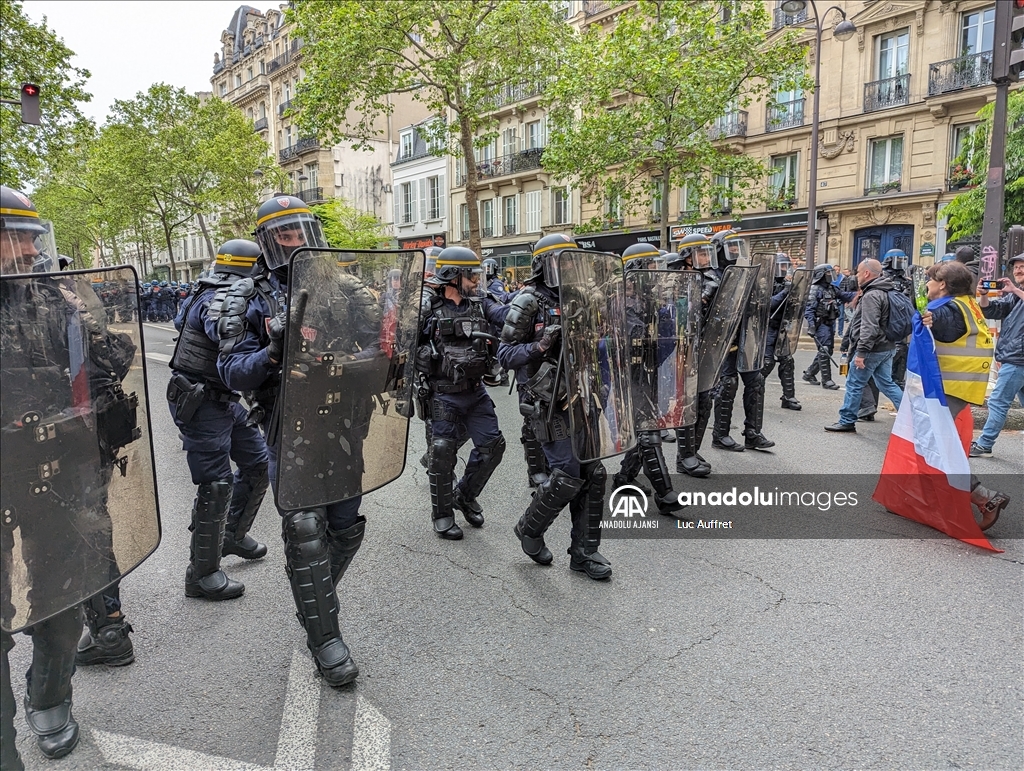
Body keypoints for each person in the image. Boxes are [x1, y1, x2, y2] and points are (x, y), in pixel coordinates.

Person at [2, 186, 155, 766]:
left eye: (28, 237)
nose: (25, 250)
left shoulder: (54, 295)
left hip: (57, 467)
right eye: (11, 239)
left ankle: (50, 699)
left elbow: (113, 361)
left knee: (64, 596)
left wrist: (85, 315)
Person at [217, 196, 365, 686]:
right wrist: (274, 352)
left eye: (301, 229)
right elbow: (232, 371)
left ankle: (312, 597)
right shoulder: (247, 297)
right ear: (267, 240)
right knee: (304, 529)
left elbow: (385, 345)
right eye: (285, 232)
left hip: (343, 423)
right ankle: (326, 639)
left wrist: (359, 361)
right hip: (288, 428)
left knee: (345, 526)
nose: (296, 239)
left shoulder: (344, 286)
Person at [498, 234, 612, 580]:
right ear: (544, 265)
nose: (569, 267)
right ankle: (529, 528)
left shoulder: (583, 298)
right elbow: (505, 355)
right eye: (562, 260)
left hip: (583, 395)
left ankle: (584, 553)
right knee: (566, 475)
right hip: (547, 402)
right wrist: (540, 345)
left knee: (594, 473)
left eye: (572, 260)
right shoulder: (528, 301)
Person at [167, 239, 272, 602]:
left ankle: (231, 535)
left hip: (223, 398)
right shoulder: (223, 297)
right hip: (201, 400)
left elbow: (182, 321)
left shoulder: (205, 288)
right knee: (215, 484)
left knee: (259, 463)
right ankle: (201, 574)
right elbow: (223, 331)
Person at [417, 246, 508, 539]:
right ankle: (442, 515)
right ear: (453, 276)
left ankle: (464, 496)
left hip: (475, 391)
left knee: (493, 446)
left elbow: (506, 315)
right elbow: (402, 344)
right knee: (442, 453)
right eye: (471, 276)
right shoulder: (426, 308)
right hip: (442, 393)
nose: (476, 281)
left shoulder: (481, 304)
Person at [920, 260, 1010, 529]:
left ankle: (985, 497)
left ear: (942, 285)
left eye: (931, 279)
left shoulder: (946, 309)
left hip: (950, 386)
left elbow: (942, 323)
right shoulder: (966, 303)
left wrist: (929, 318)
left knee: (936, 443)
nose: (927, 284)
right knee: (932, 441)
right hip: (960, 384)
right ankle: (921, 496)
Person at [611, 244, 684, 515]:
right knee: (648, 431)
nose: (656, 272)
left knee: (644, 428)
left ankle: (624, 478)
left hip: (649, 373)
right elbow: (637, 337)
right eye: (651, 266)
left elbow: (667, 339)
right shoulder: (620, 301)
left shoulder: (649, 300)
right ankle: (665, 494)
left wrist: (665, 310)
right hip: (629, 376)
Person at [710, 230, 774, 452]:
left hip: (745, 337)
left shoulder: (745, 273)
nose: (735, 251)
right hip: (724, 340)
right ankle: (720, 435)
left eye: (738, 246)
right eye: (731, 247)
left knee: (756, 380)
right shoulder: (712, 276)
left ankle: (753, 433)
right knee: (728, 384)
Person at [825, 258, 904, 432]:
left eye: (859, 272)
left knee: (854, 383)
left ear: (867, 273)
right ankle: (910, 415)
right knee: (886, 383)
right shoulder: (886, 289)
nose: (857, 276)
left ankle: (847, 420)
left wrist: (861, 353)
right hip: (887, 346)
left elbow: (869, 327)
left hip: (872, 349)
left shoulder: (871, 295)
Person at [971, 252, 1024, 458]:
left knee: (998, 401)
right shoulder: (1014, 295)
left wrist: (1014, 290)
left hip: (1018, 358)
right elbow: (992, 311)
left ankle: (984, 444)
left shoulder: (1016, 293)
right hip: (1012, 356)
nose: (1018, 271)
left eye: (1022, 267)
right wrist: (984, 295)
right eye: (1016, 267)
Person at [803, 264, 856, 389]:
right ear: (821, 275)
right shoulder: (815, 289)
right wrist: (811, 325)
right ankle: (826, 380)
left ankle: (810, 373)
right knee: (825, 350)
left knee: (828, 350)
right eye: (828, 273)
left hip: (830, 323)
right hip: (820, 323)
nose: (831, 276)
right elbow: (809, 310)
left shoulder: (831, 288)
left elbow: (844, 295)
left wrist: (859, 294)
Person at [761, 252, 802, 411]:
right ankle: (755, 394)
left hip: (782, 328)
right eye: (781, 265)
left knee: (787, 361)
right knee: (767, 363)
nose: (784, 269)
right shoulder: (764, 283)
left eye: (786, 265)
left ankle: (788, 397)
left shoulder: (787, 283)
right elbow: (767, 304)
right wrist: (785, 292)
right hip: (767, 328)